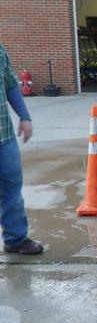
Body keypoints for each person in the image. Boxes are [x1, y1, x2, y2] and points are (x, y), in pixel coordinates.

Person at [0, 44, 44, 255]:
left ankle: (15, 239)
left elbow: (9, 86)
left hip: (4, 135)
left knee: (12, 187)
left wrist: (24, 117)